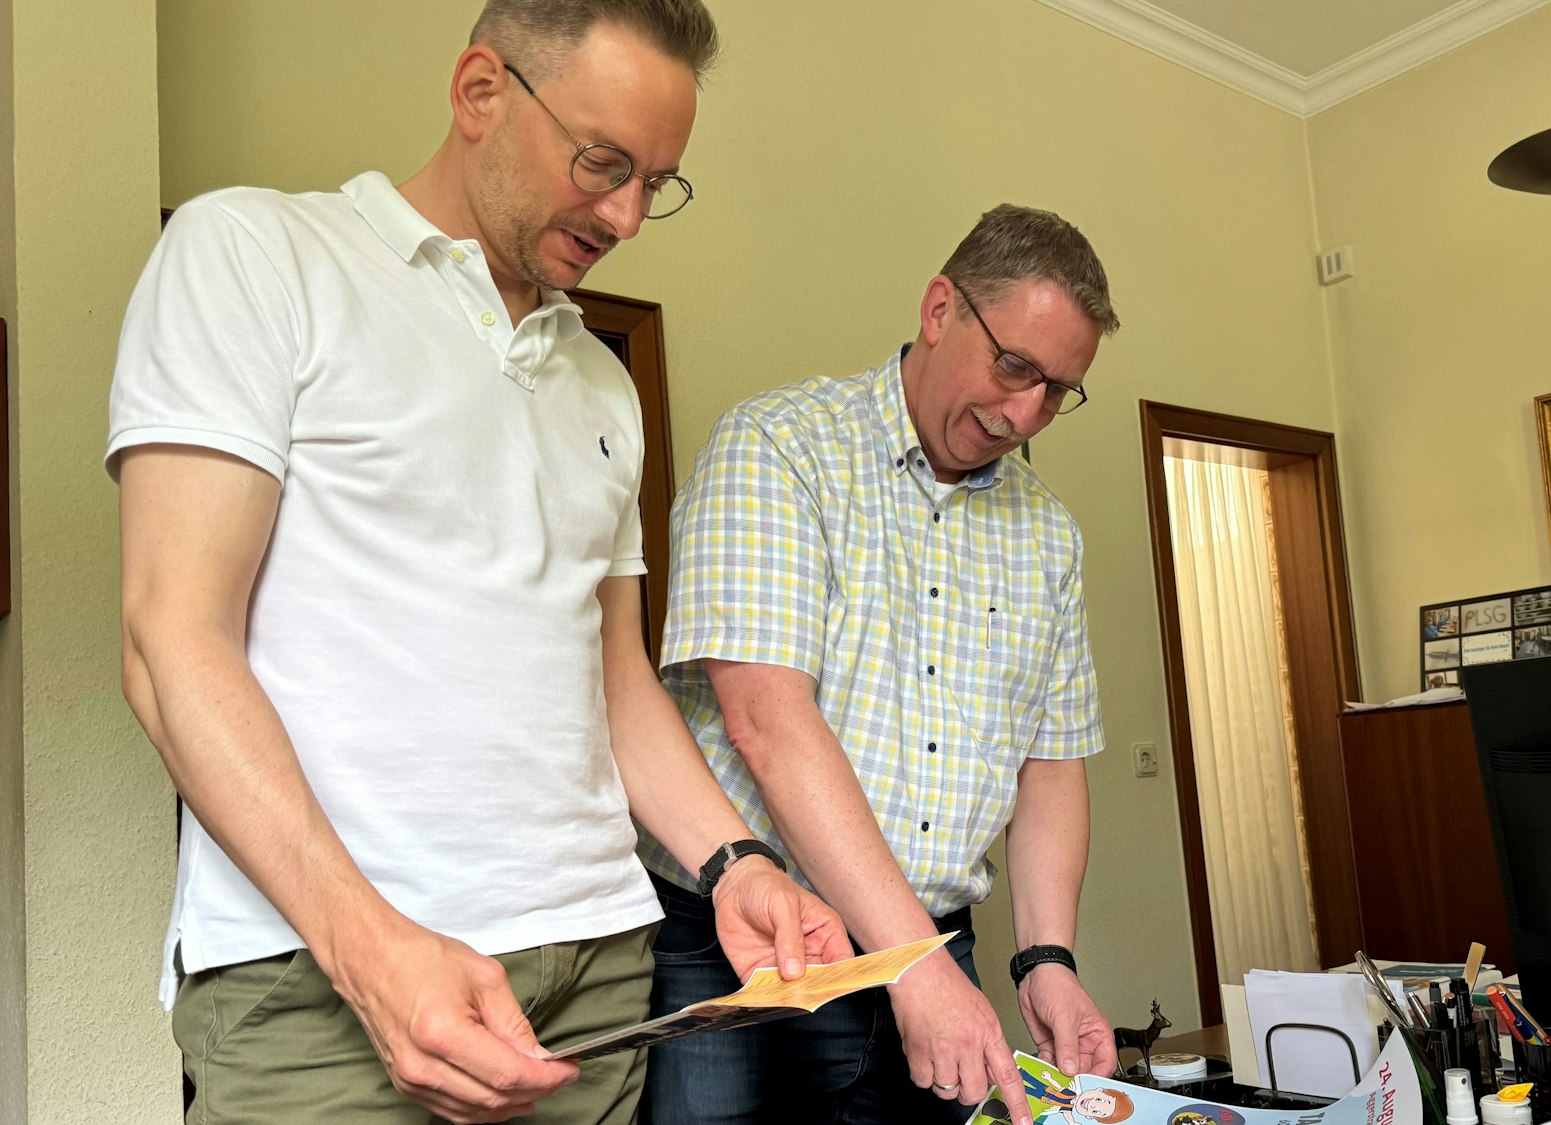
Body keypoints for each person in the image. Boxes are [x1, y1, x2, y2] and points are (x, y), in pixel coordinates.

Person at [109, 2, 849, 1122]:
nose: (627, 215)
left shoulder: (601, 383)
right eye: (603, 163)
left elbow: (615, 685)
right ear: (480, 91)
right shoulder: (254, 253)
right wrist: (369, 953)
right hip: (322, 984)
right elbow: (171, 637)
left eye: (657, 181)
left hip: (598, 970)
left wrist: (736, 861)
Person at [641, 204, 1122, 1125]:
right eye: (1014, 366)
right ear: (940, 309)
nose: (1025, 412)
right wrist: (917, 966)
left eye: (1057, 390)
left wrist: (1046, 958)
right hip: (751, 947)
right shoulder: (779, 447)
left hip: (941, 949)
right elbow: (767, 721)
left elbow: (1051, 764)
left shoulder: (1049, 535)